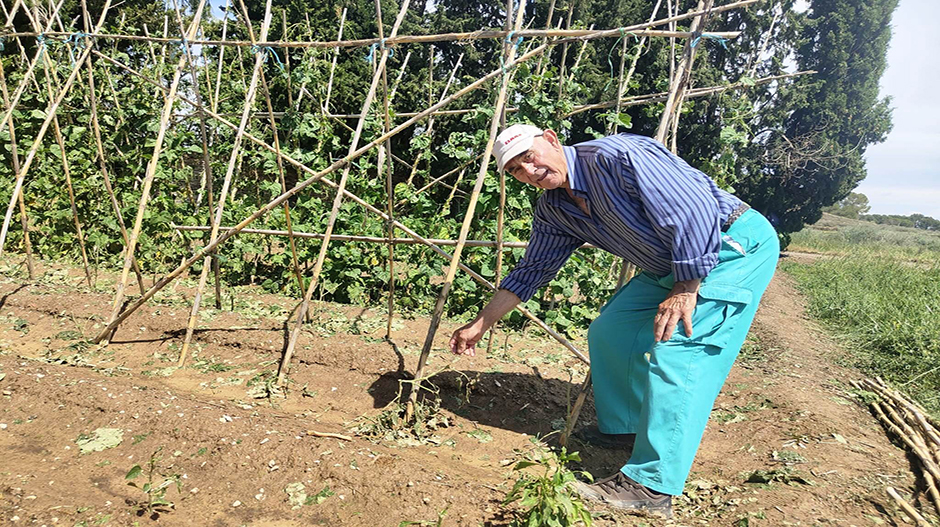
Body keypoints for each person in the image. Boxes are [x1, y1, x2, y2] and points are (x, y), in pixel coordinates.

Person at [449, 124, 780, 518]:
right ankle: (627, 430)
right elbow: (533, 269)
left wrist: (686, 288)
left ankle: (653, 486)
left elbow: (693, 210)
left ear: (552, 139)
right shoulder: (556, 208)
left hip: (728, 246)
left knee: (680, 350)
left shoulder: (617, 157)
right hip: (669, 265)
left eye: (529, 155)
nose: (529, 169)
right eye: (518, 169)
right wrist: (481, 323)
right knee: (612, 331)